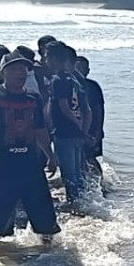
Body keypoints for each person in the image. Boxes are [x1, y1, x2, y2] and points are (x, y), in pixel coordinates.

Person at [0, 50, 60, 242]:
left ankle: (51, 255)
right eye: (14, 69)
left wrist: (51, 156)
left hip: (30, 164)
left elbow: (40, 130)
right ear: (3, 72)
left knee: (45, 218)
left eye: (23, 69)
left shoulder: (34, 98)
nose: (20, 73)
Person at [47, 41, 91, 203]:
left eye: (47, 56)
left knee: (69, 176)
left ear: (54, 58)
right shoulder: (76, 79)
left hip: (64, 132)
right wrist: (84, 131)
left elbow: (64, 108)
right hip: (78, 135)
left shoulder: (57, 80)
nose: (45, 60)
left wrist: (78, 127)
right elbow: (87, 110)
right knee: (78, 174)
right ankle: (83, 203)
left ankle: (76, 206)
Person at [74, 56, 106, 182]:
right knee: (78, 158)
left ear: (88, 70)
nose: (80, 70)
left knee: (91, 157)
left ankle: (101, 182)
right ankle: (84, 182)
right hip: (75, 127)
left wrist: (98, 130)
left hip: (93, 128)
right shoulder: (70, 86)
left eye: (83, 68)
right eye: (77, 67)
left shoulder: (93, 86)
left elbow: (99, 110)